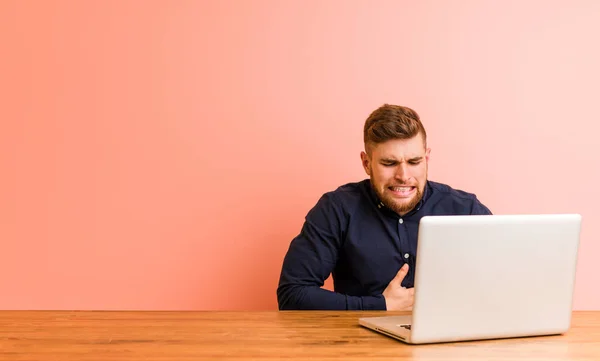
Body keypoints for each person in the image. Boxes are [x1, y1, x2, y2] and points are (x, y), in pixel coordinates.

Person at [276, 104, 492, 311]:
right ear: (366, 163)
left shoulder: (466, 209)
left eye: (414, 162)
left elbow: (509, 280)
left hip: (451, 343)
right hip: (362, 345)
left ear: (427, 158)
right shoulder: (337, 209)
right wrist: (379, 306)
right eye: (389, 163)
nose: (403, 176)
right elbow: (292, 294)